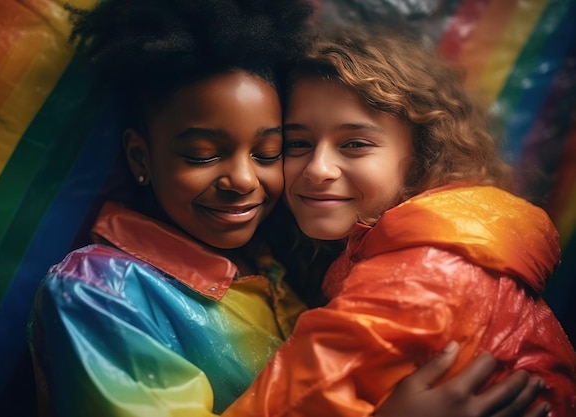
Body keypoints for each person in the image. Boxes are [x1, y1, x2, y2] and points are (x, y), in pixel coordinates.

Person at [28, 2, 548, 416]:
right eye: (203, 154)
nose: (243, 179)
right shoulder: (99, 291)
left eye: (269, 152)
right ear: (141, 157)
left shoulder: (283, 263)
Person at [222, 27, 576, 417]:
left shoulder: (420, 273)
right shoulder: (447, 234)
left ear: (422, 156)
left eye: (355, 144)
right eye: (297, 144)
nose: (318, 169)